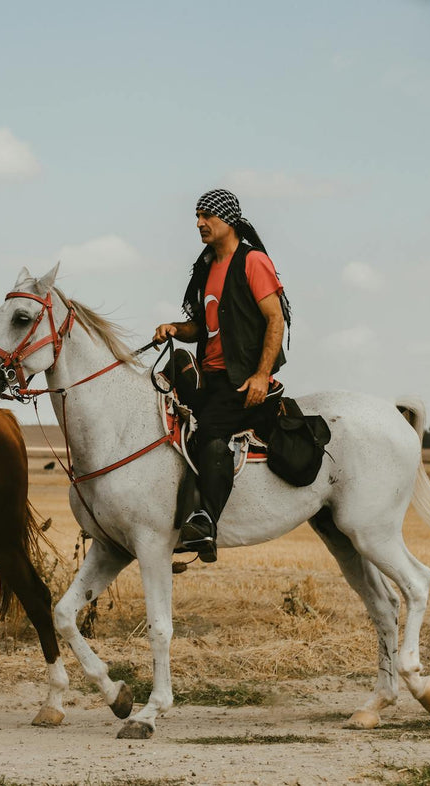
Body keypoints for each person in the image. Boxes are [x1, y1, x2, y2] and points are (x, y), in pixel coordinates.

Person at [152, 188, 290, 562]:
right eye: (196, 217)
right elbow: (203, 327)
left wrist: (262, 375)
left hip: (244, 382)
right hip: (212, 378)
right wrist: (174, 329)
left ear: (226, 219)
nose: (198, 224)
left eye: (205, 216)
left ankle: (205, 523)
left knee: (210, 433)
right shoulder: (207, 266)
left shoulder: (253, 261)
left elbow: (275, 319)